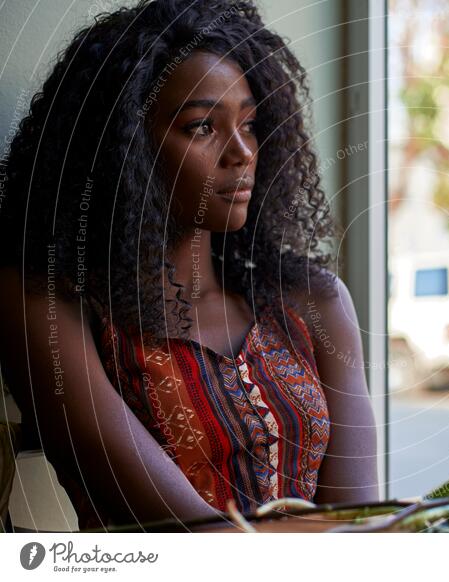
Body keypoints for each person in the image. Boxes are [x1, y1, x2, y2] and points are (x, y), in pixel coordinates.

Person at [0, 0, 378, 531]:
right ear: (124, 148)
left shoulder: (314, 300)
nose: (242, 152)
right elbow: (192, 539)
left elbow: (361, 525)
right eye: (202, 127)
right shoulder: (50, 302)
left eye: (249, 122)